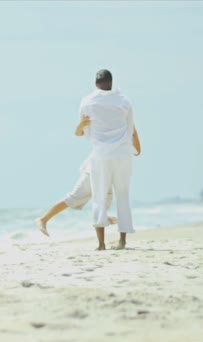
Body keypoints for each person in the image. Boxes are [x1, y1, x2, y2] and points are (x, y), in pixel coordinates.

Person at [79, 69, 141, 251]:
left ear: (96, 83)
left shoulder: (87, 101)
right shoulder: (124, 101)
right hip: (122, 154)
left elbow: (85, 131)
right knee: (122, 195)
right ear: (111, 82)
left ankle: (101, 244)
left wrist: (98, 141)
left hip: (101, 155)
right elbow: (130, 128)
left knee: (98, 197)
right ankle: (122, 241)